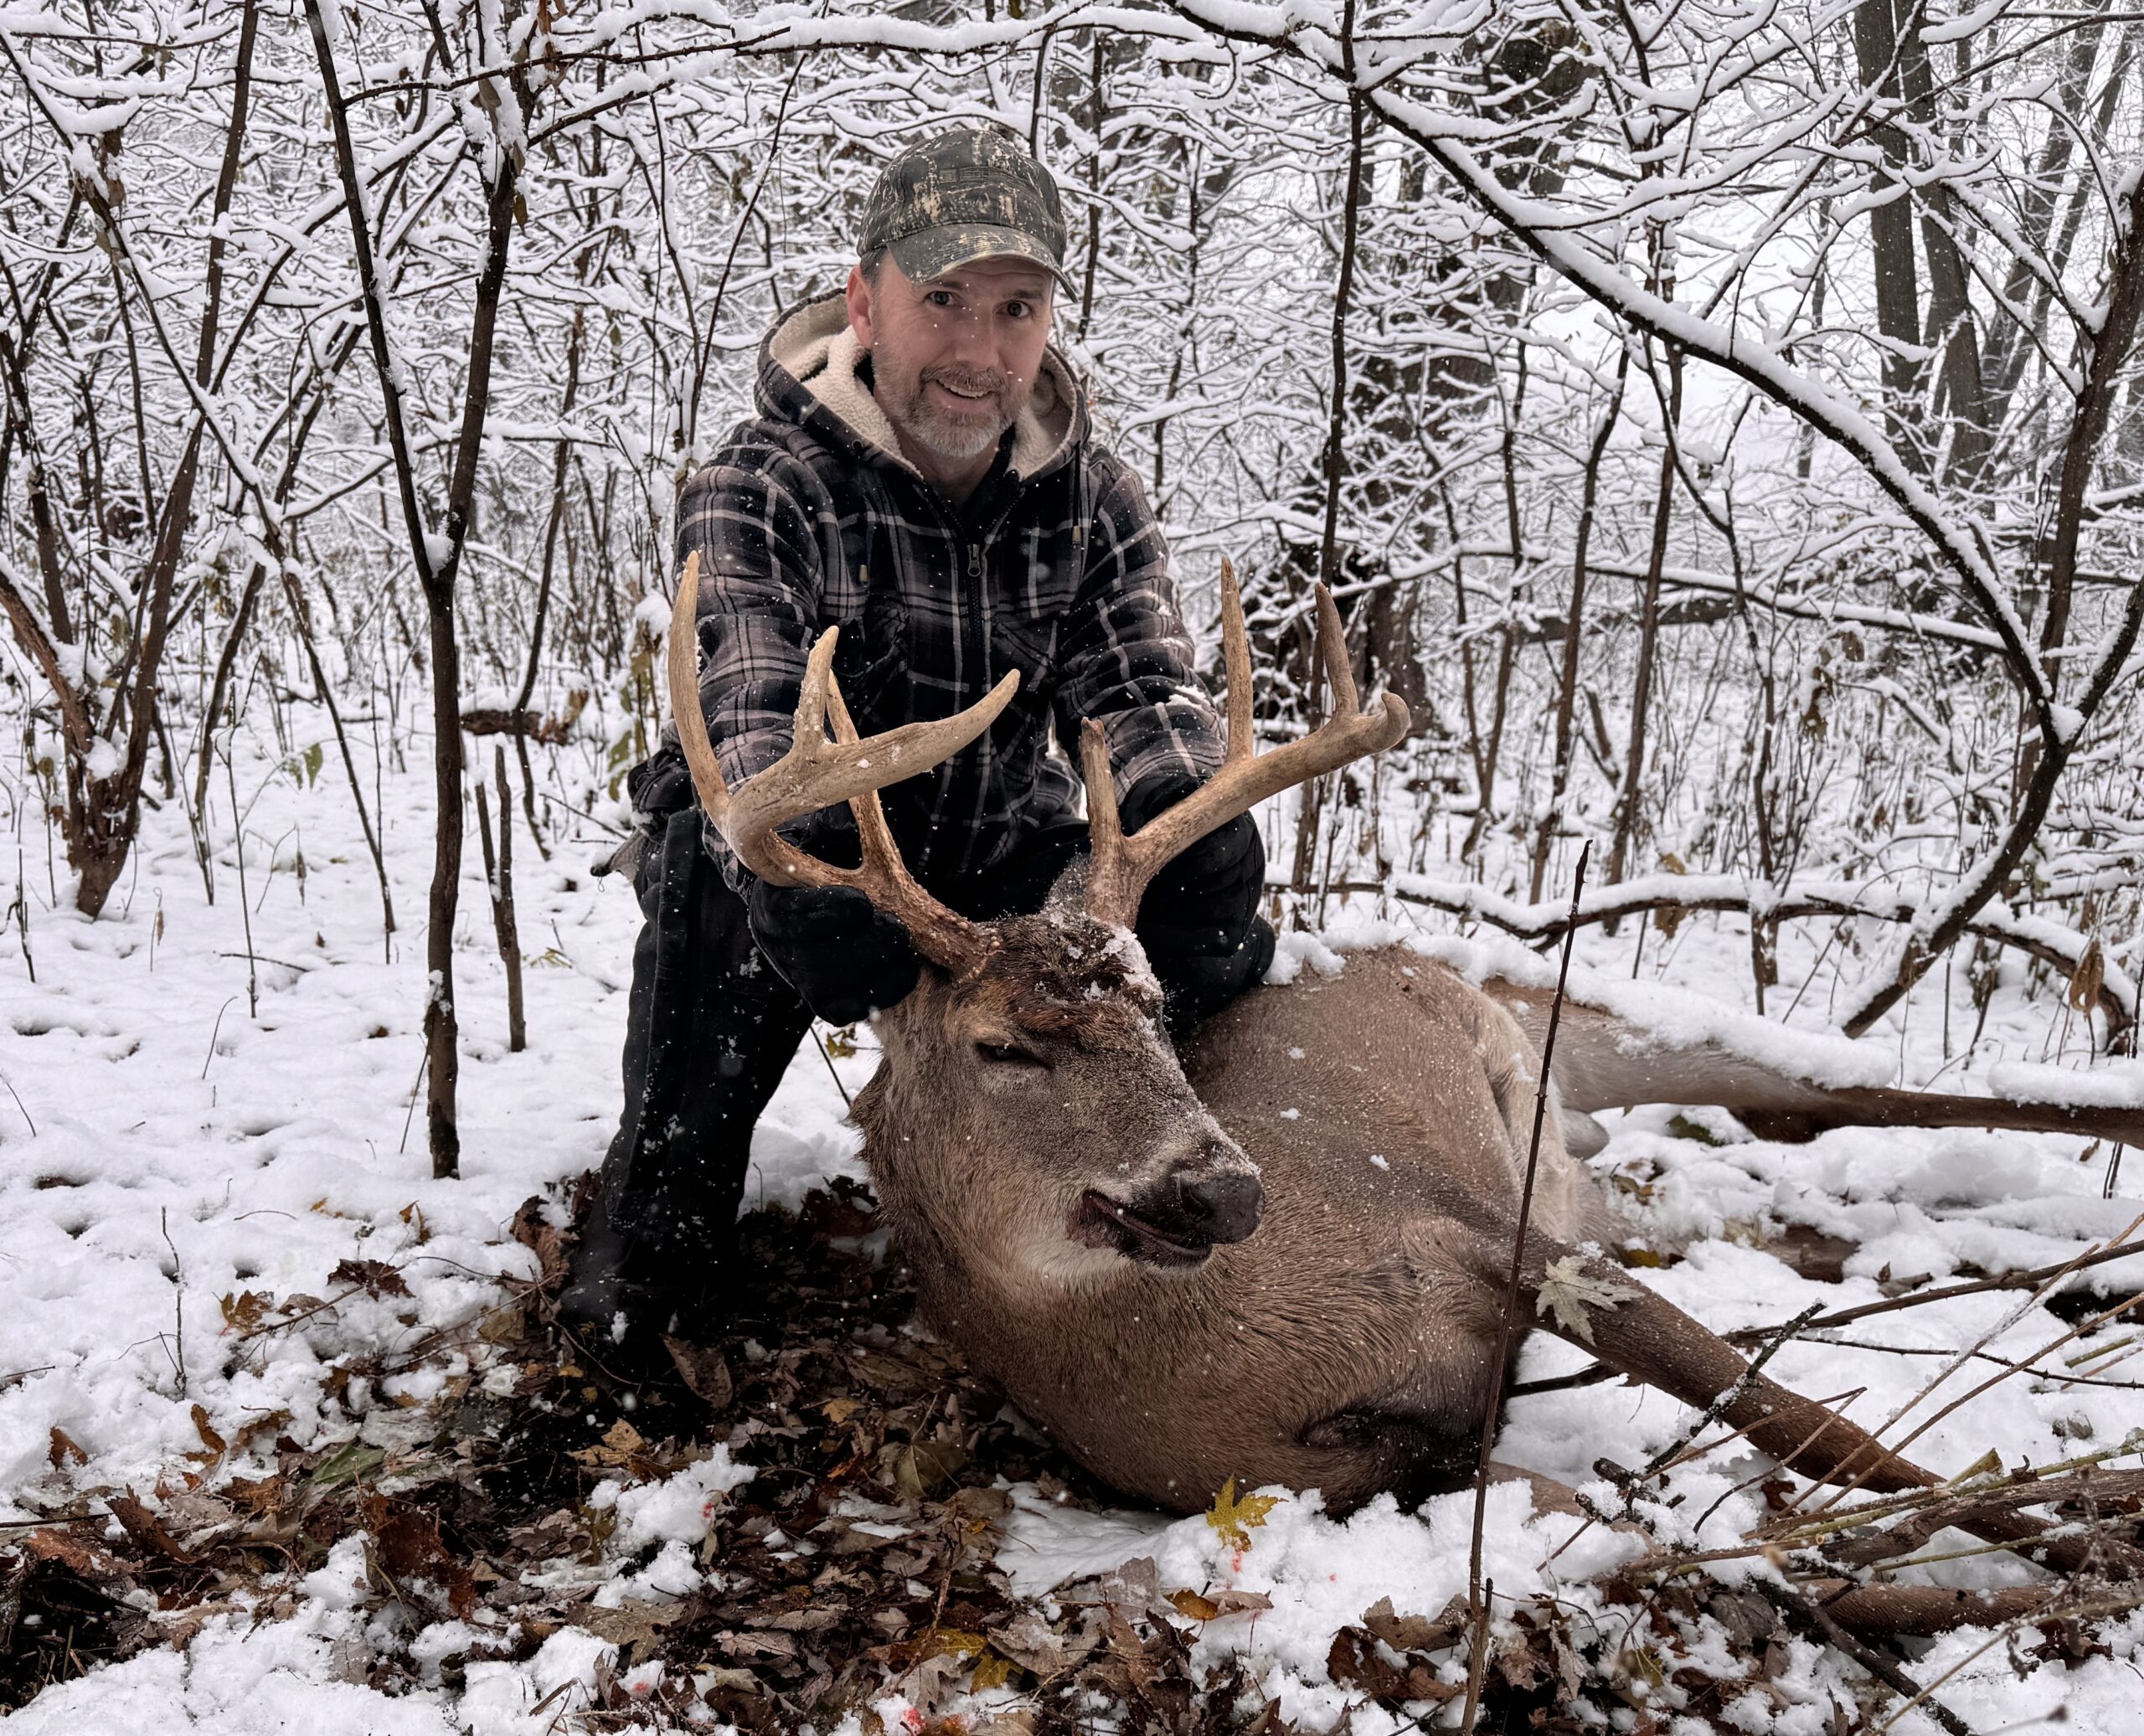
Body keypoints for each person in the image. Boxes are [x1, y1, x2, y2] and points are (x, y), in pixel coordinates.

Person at [563, 127, 1275, 1354]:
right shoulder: (761, 483)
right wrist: (802, 845)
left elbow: (1138, 684)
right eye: (941, 300)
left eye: (1015, 309)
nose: (978, 352)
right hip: (811, 868)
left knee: (1192, 947)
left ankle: (1136, 1187)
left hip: (998, 845)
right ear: (865, 301)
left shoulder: (1090, 498)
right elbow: (746, 702)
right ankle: (660, 1221)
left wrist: (1183, 813)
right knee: (722, 901)